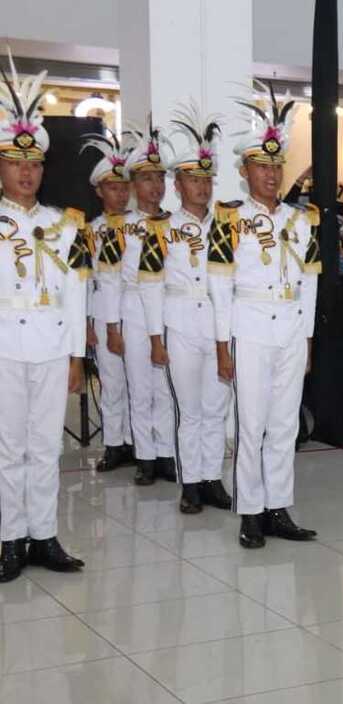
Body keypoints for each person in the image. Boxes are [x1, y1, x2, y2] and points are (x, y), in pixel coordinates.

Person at [209, 81, 318, 548]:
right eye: (261, 166)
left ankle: (278, 507)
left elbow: (311, 282)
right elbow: (219, 287)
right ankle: (250, 511)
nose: (271, 175)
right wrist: (221, 343)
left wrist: (309, 339)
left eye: (277, 166)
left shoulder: (302, 219)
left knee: (284, 423)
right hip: (249, 328)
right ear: (244, 170)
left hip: (293, 328)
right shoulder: (228, 218)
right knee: (250, 423)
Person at [0, 60, 90, 580]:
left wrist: (77, 356)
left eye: (33, 163)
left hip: (54, 345)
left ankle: (44, 535)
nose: (26, 172)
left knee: (46, 445)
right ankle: (11, 539)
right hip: (7, 346)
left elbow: (75, 295)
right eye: (15, 163)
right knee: (9, 446)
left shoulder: (64, 225)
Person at [139, 102, 233, 514]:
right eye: (192, 180)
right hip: (179, 323)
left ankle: (212, 478)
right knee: (188, 410)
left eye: (206, 180)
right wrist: (156, 339)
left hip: (219, 324)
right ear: (177, 184)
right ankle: (190, 482)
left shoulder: (228, 225)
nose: (202, 187)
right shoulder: (162, 229)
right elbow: (150, 287)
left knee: (217, 406)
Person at [118, 118, 177, 485]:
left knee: (165, 387)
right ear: (133, 184)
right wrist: (110, 325)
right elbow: (109, 283)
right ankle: (144, 457)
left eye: (159, 179)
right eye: (146, 179)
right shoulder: (118, 227)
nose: (154, 186)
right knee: (139, 387)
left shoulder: (175, 225)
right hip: (132, 311)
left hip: (168, 309)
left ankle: (167, 453)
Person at [80, 128, 135, 472]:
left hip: (137, 311)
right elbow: (84, 281)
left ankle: (139, 442)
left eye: (124, 187)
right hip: (103, 312)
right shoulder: (89, 231)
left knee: (142, 383)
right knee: (112, 382)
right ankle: (115, 444)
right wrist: (85, 322)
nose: (120, 194)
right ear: (100, 191)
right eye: (113, 187)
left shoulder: (141, 226)